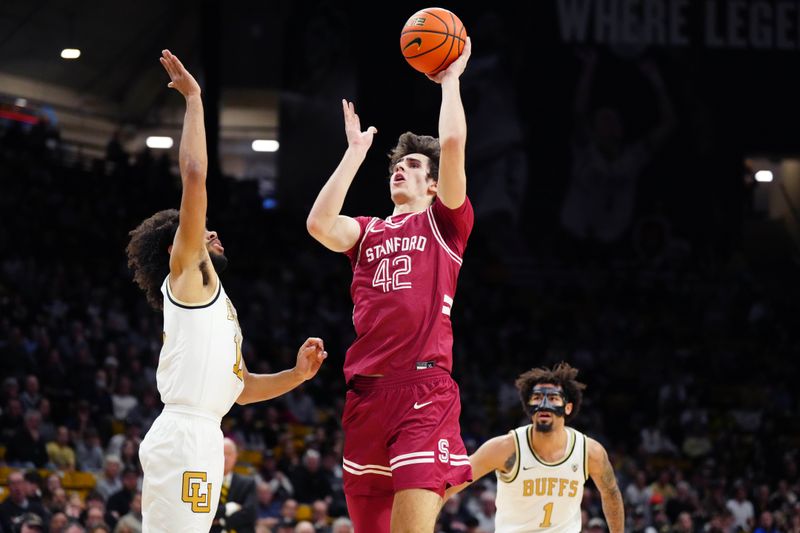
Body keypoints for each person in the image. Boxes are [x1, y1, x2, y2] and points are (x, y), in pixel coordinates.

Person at [125, 49, 328, 533]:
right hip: (184, 435)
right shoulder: (187, 278)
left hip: (205, 434)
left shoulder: (215, 305)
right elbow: (195, 175)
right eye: (201, 230)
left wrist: (295, 377)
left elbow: (240, 389)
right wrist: (194, 99)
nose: (212, 233)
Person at [306, 37, 474, 533]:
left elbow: (453, 145)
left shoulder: (445, 225)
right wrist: (356, 154)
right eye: (398, 165)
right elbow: (319, 224)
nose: (401, 167)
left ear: (433, 185)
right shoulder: (367, 230)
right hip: (365, 396)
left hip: (423, 388)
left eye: (415, 166)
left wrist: (450, 82)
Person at [446, 362, 624, 533]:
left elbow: (611, 493)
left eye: (553, 398)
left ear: (568, 408)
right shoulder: (505, 448)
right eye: (537, 398)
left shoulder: (589, 452)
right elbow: (448, 485)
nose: (544, 404)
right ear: (528, 406)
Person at [211, 438, 257, 533]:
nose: (225, 458)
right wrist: (228, 508)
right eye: (222, 453)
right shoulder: (205, 482)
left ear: (236, 456)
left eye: (229, 454)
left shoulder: (248, 482)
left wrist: (221, 521)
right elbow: (205, 513)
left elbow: (250, 513)